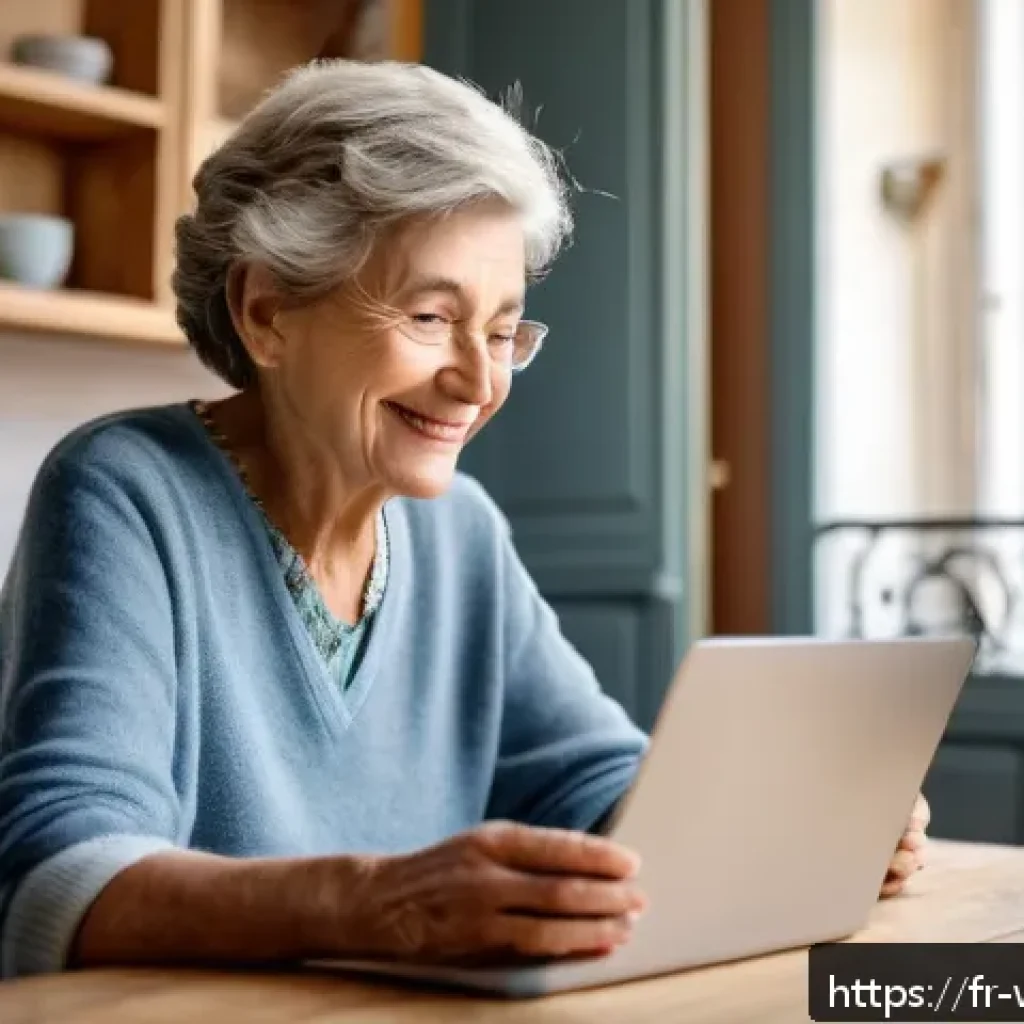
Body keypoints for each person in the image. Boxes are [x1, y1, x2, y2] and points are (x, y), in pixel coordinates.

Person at [0, 59, 927, 980]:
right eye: (431, 317)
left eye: (501, 331)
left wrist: (797, 825)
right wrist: (375, 904)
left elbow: (597, 788)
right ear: (267, 309)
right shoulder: (126, 491)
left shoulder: (461, 533)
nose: (479, 384)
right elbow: (59, 874)